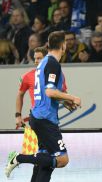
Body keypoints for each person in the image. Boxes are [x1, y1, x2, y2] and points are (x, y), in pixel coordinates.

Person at [5, 31, 81, 181]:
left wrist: (64, 101)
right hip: (45, 119)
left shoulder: (43, 64)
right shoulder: (52, 63)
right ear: (63, 45)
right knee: (62, 160)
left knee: (45, 161)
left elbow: (47, 93)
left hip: (38, 116)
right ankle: (19, 158)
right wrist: (73, 98)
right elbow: (50, 92)